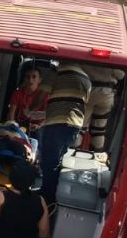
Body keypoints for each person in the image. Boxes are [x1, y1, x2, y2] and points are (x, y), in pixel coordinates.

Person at [39, 62, 91, 203]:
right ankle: (50, 193)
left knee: (49, 161)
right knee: (58, 160)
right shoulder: (86, 78)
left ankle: (46, 197)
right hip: (74, 124)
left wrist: (31, 109)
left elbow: (42, 93)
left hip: (57, 122)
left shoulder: (57, 70)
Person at [81, 65, 124, 152]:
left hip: (86, 91)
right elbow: (121, 75)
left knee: (79, 128)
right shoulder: (113, 56)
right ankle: (97, 156)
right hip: (106, 94)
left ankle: (70, 153)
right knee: (99, 131)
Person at [7, 65, 48, 134]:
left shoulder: (45, 96)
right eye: (28, 77)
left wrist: (39, 125)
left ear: (40, 80)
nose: (30, 80)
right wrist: (13, 125)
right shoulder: (18, 93)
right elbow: (11, 113)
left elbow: (48, 116)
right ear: (24, 79)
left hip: (38, 126)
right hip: (19, 125)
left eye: (34, 77)